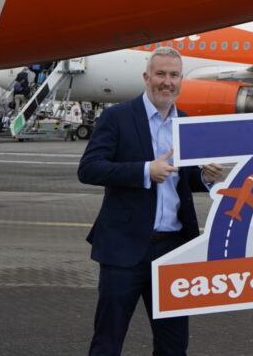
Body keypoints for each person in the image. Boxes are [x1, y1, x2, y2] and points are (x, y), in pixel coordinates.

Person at [78, 46, 223, 356]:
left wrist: (206, 177)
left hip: (172, 250)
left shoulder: (186, 123)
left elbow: (182, 180)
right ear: (146, 77)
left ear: (181, 80)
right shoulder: (116, 117)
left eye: (173, 75)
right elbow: (89, 168)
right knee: (107, 342)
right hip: (123, 250)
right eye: (160, 74)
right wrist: (145, 171)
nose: (166, 82)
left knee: (173, 346)